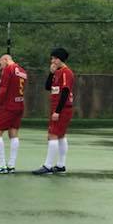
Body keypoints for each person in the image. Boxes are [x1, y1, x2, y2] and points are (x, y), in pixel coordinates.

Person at [34, 47, 75, 175]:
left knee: (52, 135)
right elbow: (47, 87)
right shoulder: (57, 72)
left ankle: (47, 166)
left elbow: (65, 91)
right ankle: (61, 165)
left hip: (62, 109)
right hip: (58, 108)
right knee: (61, 135)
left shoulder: (66, 72)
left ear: (58, 59)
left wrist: (57, 111)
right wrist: (51, 73)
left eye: (53, 58)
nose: (51, 61)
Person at [0, 54, 28, 174]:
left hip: (8, 106)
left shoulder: (8, 69)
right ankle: (11, 165)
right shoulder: (23, 71)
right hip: (19, 105)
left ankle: (1, 165)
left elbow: (3, 90)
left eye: (0, 64)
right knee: (13, 133)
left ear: (5, 60)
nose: (0, 68)